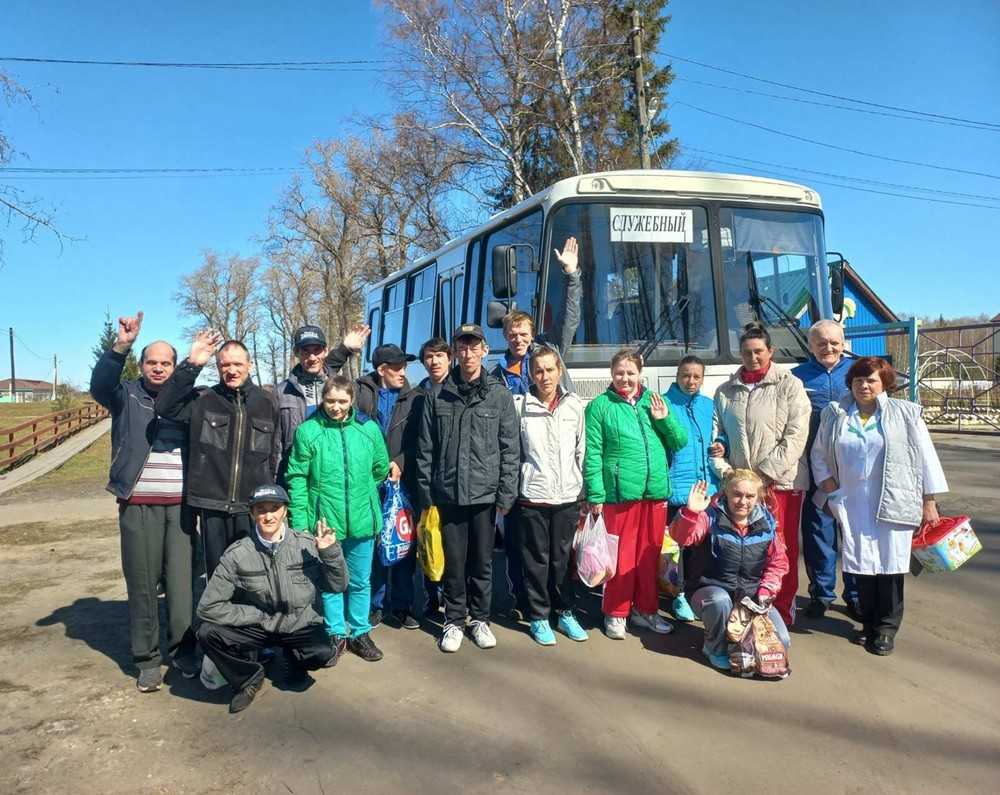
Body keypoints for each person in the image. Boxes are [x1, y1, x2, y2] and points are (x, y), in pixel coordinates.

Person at [810, 356, 948, 655]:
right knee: (861, 565)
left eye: (871, 380)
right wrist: (828, 484)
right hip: (851, 501)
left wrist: (930, 501)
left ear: (884, 383)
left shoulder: (906, 414)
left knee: (890, 565)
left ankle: (886, 628)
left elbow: (926, 458)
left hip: (894, 499)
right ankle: (868, 624)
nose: (864, 385)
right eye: (858, 379)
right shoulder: (836, 415)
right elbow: (819, 453)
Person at [89, 310, 197, 692]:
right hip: (138, 505)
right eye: (152, 362)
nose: (159, 369)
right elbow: (100, 384)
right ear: (142, 364)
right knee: (143, 584)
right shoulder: (125, 395)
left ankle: (184, 651)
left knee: (183, 587)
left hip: (182, 508)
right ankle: (148, 660)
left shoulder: (189, 399)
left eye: (166, 363)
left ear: (175, 366)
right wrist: (121, 345)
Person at [490, 237, 582, 619]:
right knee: (518, 548)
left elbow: (571, 319)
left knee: (556, 551)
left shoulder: (551, 355)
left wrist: (572, 276)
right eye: (513, 335)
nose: (519, 339)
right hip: (520, 477)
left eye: (525, 333)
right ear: (506, 338)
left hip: (557, 476)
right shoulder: (497, 377)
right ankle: (524, 604)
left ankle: (555, 606)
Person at [196, 484, 348, 714]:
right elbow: (208, 607)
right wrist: (255, 615)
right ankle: (248, 679)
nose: (268, 516)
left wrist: (330, 552)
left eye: (274, 508)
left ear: (284, 511)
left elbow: (338, 585)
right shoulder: (237, 554)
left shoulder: (305, 544)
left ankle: (294, 662)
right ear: (252, 514)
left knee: (324, 653)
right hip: (260, 624)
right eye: (261, 510)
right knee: (208, 633)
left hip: (299, 623)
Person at [415, 324, 520, 653]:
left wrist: (506, 493)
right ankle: (454, 620)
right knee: (455, 562)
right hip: (448, 495)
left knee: (482, 562)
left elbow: (510, 448)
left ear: (485, 351)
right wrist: (427, 496)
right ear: (456, 352)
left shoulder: (499, 395)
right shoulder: (437, 396)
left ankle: (480, 620)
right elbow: (425, 450)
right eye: (463, 347)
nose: (469, 353)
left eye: (475, 347)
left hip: (486, 495)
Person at [155, 331, 280, 579]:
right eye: (225, 365)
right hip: (212, 505)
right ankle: (220, 617)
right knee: (220, 574)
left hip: (251, 505)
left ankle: (251, 618)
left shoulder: (267, 403)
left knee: (254, 573)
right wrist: (192, 365)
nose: (231, 370)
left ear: (249, 365)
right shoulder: (204, 400)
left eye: (237, 364)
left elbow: (272, 454)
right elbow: (164, 406)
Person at [710, 323, 811, 627]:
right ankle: (745, 610)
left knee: (781, 549)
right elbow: (719, 436)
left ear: (771, 352)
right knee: (743, 552)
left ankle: (780, 610)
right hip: (740, 487)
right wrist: (728, 472)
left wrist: (764, 476)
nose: (752, 357)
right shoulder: (726, 391)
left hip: (780, 483)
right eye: (746, 352)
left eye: (758, 352)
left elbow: (795, 436)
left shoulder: (788, 385)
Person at [583, 349, 688, 639]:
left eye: (630, 373)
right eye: (619, 373)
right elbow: (592, 453)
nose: (625, 378)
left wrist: (664, 419)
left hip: (654, 493)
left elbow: (679, 441)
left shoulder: (655, 401)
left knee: (648, 556)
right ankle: (616, 613)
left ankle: (646, 610)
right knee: (621, 557)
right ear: (611, 374)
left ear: (640, 373)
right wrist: (596, 494)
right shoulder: (599, 407)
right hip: (620, 493)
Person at [285, 374, 390, 662]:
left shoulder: (368, 430)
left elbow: (380, 468)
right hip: (325, 522)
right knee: (331, 581)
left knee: (360, 580)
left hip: (362, 520)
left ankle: (359, 632)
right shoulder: (309, 431)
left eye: (342, 401)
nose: (336, 407)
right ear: (322, 400)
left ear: (352, 400)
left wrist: (363, 494)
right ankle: (335, 632)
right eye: (330, 401)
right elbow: (296, 477)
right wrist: (300, 522)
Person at [669, 473, 790, 672]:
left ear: (758, 498)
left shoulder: (767, 522)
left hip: (750, 599)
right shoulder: (709, 516)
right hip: (709, 592)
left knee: (782, 642)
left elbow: (778, 563)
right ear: (726, 492)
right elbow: (682, 538)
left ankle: (741, 642)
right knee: (719, 601)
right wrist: (690, 512)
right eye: (737, 494)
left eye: (750, 496)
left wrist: (765, 593)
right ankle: (714, 647)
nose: (743, 501)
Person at [512, 346, 588, 646]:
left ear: (559, 371)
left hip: (568, 496)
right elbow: (515, 452)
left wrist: (581, 487)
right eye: (538, 370)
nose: (544, 376)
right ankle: (539, 616)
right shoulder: (521, 405)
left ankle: (565, 612)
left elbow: (581, 449)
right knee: (536, 561)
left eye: (549, 369)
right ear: (531, 373)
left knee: (562, 559)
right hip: (533, 496)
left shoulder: (574, 405)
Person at [791, 319, 861, 620]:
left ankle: (857, 595)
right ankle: (821, 593)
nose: (828, 348)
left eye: (834, 342)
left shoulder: (859, 372)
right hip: (816, 469)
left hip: (855, 470)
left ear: (843, 341)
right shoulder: (796, 377)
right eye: (821, 343)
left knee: (855, 534)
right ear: (811, 346)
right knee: (819, 532)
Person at [357, 344, 422, 631]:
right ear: (382, 370)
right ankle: (376, 605)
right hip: (370, 483)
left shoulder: (415, 397)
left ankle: (403, 606)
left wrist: (400, 462)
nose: (403, 372)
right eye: (397, 367)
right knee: (376, 546)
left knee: (403, 544)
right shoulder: (361, 393)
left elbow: (420, 439)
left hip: (402, 482)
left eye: (404, 366)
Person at [663, 354, 720, 623]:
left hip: (706, 487)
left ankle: (697, 591)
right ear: (677, 375)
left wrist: (722, 444)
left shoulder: (709, 405)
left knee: (701, 547)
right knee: (676, 549)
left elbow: (720, 434)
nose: (691, 381)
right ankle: (678, 595)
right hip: (678, 488)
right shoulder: (664, 403)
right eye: (686, 375)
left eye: (697, 376)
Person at [276, 323, 371, 479]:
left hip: (333, 477)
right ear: (296, 353)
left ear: (325, 351)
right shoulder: (281, 393)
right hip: (296, 475)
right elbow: (275, 447)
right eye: (305, 352)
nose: (312, 358)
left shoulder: (341, 387)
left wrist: (345, 349)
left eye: (317, 351)